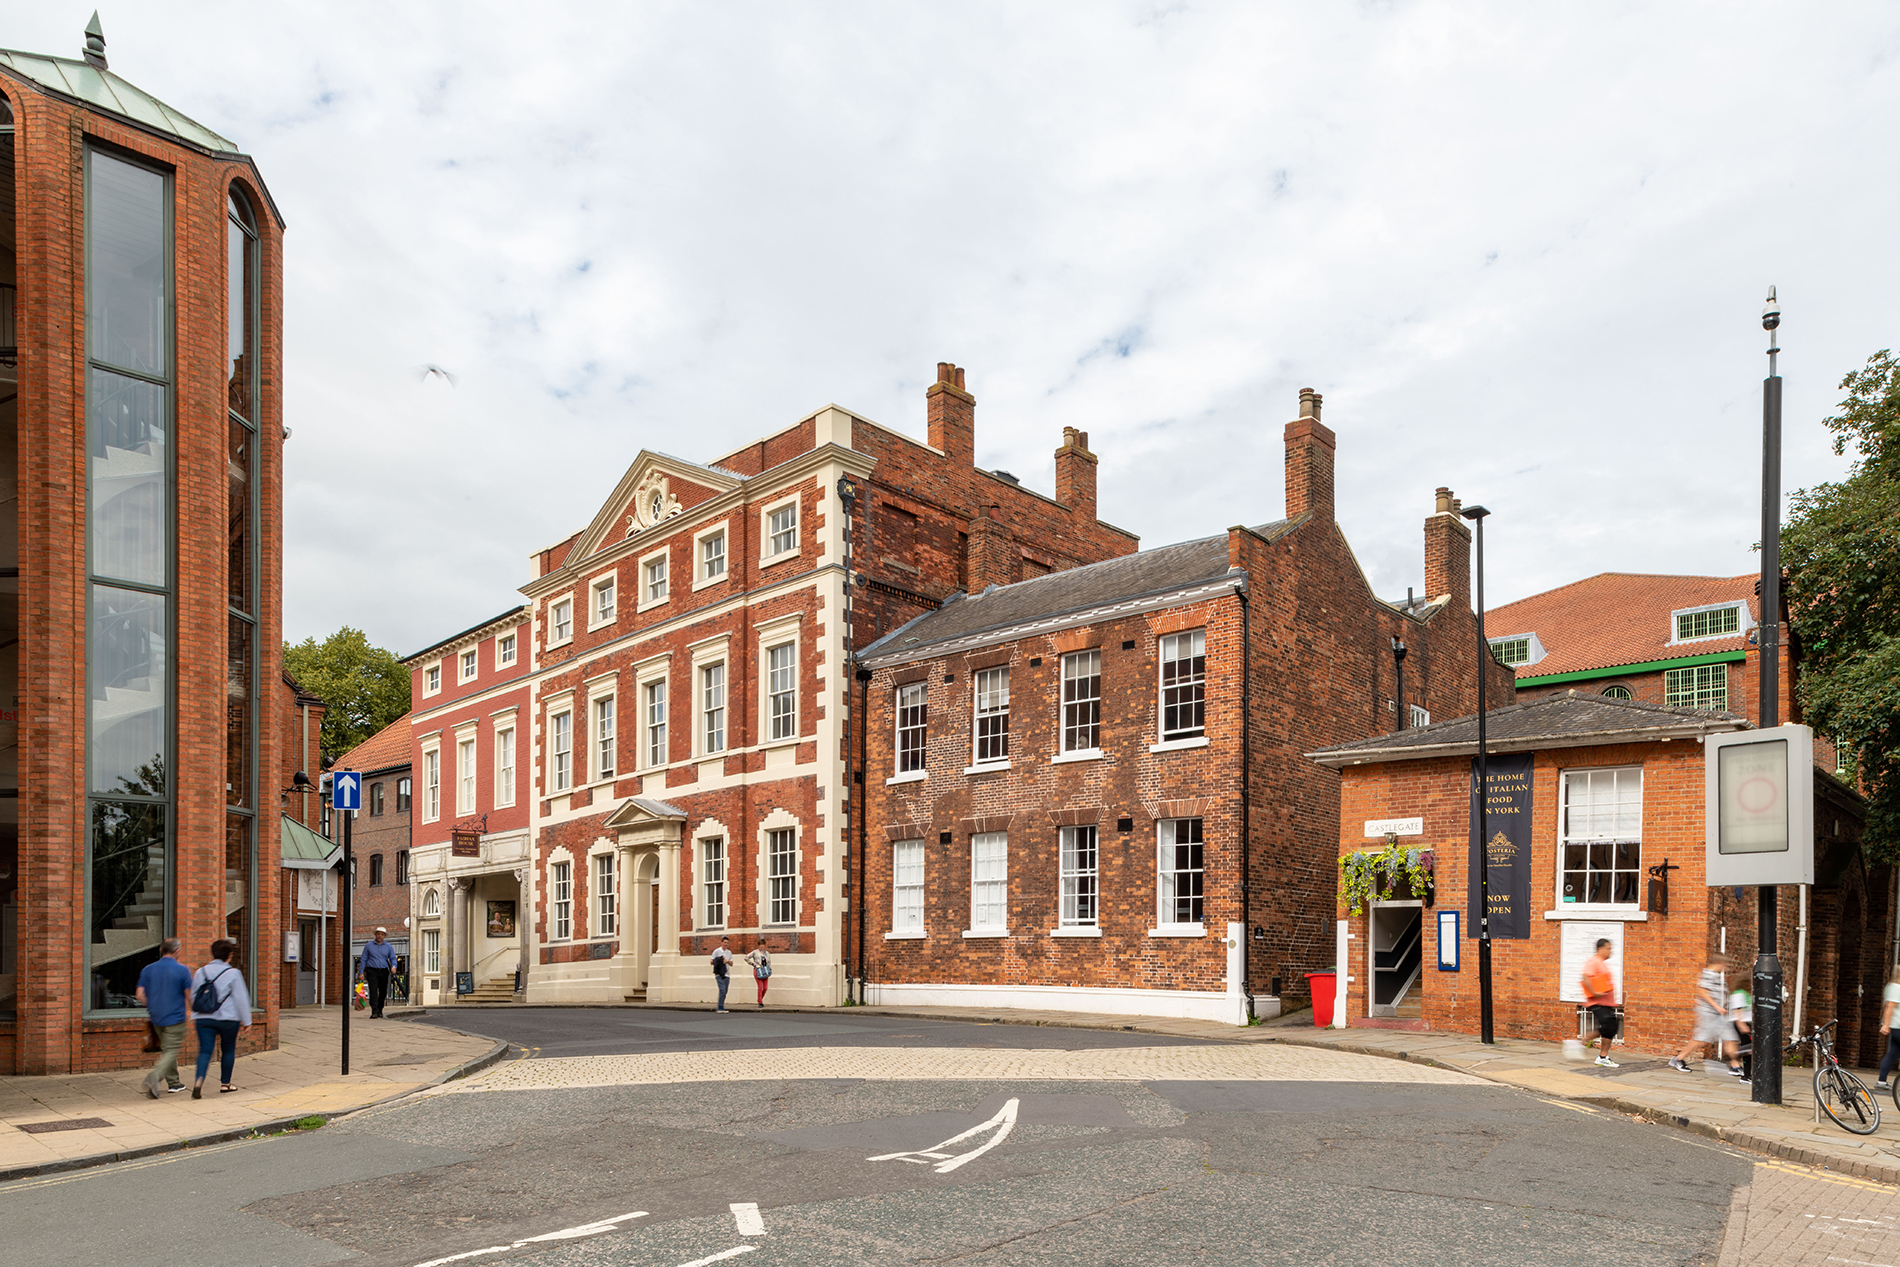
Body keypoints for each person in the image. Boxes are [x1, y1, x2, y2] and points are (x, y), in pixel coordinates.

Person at [190, 939, 252, 1099]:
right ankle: (225, 1084)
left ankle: (198, 1081)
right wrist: (247, 1021)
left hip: (204, 1018)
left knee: (205, 1051)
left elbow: (193, 996)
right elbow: (241, 998)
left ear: (213, 953)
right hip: (228, 1018)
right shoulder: (233, 973)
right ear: (229, 955)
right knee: (228, 1050)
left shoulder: (200, 972)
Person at [134, 938, 192, 1098]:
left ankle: (174, 1083)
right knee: (171, 1050)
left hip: (156, 1017)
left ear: (161, 950)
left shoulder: (148, 969)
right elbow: (189, 996)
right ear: (177, 951)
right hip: (175, 1017)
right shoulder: (182, 970)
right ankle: (154, 1077)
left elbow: (139, 995)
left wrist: (152, 1006)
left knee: (167, 1049)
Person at [1670, 954, 1743, 1078]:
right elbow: (1702, 991)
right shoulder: (1709, 974)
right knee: (1700, 1038)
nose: (1727, 968)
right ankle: (1678, 1059)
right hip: (1710, 1012)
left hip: (1719, 1014)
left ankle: (1735, 1066)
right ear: (1719, 963)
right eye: (1726, 965)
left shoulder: (1718, 976)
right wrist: (1717, 1006)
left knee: (1730, 1037)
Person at [1580, 938, 1620, 1068]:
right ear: (1600, 949)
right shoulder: (1594, 961)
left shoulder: (1601, 962)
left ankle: (1603, 1056)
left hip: (1606, 1002)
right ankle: (1583, 1042)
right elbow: (1586, 976)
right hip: (1597, 1002)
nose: (1610, 951)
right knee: (1609, 1026)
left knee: (1611, 1027)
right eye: (1608, 948)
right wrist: (1595, 992)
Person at [361, 927, 397, 1018]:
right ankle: (374, 1011)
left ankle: (380, 1009)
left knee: (383, 991)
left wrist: (394, 966)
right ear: (375, 935)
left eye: (381, 934)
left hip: (384, 971)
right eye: (378, 934)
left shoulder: (388, 946)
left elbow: (393, 958)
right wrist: (361, 972)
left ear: (384, 936)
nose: (379, 936)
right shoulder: (368, 946)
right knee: (373, 991)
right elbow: (363, 959)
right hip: (372, 970)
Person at [1877, 965, 1900, 1092]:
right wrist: (1885, 1024)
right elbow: (1889, 1006)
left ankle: (1881, 1081)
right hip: (1897, 1025)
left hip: (1895, 1026)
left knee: (1892, 1053)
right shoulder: (1896, 988)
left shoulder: (1891, 986)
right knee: (1892, 1053)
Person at [745, 942, 773, 1009]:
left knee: (765, 987)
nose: (761, 946)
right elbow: (746, 958)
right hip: (758, 970)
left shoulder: (767, 953)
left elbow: (769, 962)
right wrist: (753, 964)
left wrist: (770, 969)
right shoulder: (755, 952)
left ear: (765, 945)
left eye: (763, 944)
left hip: (765, 971)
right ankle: (760, 1002)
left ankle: (760, 998)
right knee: (760, 987)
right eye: (760, 945)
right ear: (758, 945)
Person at [711, 936, 734, 1013]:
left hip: (727, 974)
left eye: (727, 943)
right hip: (719, 974)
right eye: (724, 942)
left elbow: (731, 964)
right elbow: (711, 961)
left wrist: (727, 960)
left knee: (725, 991)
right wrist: (720, 960)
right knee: (722, 989)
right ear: (722, 943)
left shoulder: (729, 952)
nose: (726, 944)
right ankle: (720, 1007)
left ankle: (722, 1006)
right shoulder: (717, 951)